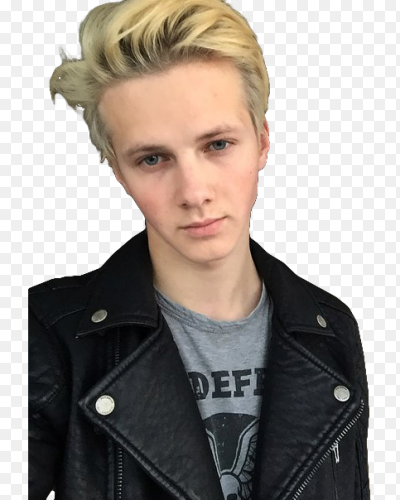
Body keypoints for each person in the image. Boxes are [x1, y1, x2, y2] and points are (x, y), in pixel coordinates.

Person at [29, 0, 370, 499]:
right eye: (152, 158)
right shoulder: (44, 333)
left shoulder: (331, 329)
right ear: (118, 170)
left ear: (262, 140)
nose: (194, 192)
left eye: (217, 145)